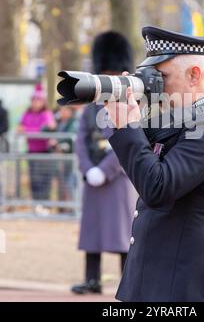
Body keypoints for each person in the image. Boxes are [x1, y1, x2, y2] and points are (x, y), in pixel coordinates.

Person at [105, 26, 204, 302]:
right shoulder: (185, 120)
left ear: (194, 75)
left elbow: (157, 187)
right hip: (164, 281)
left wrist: (126, 127)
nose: (155, 85)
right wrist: (134, 110)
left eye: (163, 76)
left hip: (189, 286)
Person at [71, 31, 137, 295]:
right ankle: (91, 279)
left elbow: (130, 140)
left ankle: (129, 283)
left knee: (124, 235)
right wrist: (88, 170)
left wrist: (106, 170)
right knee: (92, 233)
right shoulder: (91, 106)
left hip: (119, 178)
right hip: (94, 178)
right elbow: (81, 139)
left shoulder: (130, 103)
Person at [18, 84, 56, 201]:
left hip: (44, 152)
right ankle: (36, 203)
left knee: (44, 179)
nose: (35, 103)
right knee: (34, 179)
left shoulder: (46, 114)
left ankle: (45, 203)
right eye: (33, 100)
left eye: (38, 100)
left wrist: (29, 130)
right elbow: (19, 128)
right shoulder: (27, 113)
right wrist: (34, 131)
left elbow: (46, 129)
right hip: (31, 151)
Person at [49, 106, 78, 204]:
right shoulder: (59, 121)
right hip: (61, 158)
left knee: (70, 182)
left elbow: (70, 136)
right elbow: (45, 129)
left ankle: (73, 207)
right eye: (61, 110)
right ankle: (66, 208)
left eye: (65, 110)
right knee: (63, 183)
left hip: (71, 158)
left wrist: (57, 141)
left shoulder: (74, 122)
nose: (62, 112)